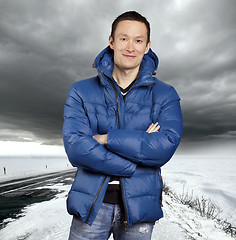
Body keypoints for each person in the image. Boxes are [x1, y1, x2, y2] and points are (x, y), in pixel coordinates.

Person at [63, 11, 183, 240]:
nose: (131, 47)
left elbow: (164, 147)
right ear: (112, 41)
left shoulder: (166, 94)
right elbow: (77, 148)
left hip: (139, 210)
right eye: (124, 38)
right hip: (90, 206)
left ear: (147, 46)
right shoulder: (80, 90)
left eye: (138, 40)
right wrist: (138, 157)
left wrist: (107, 138)